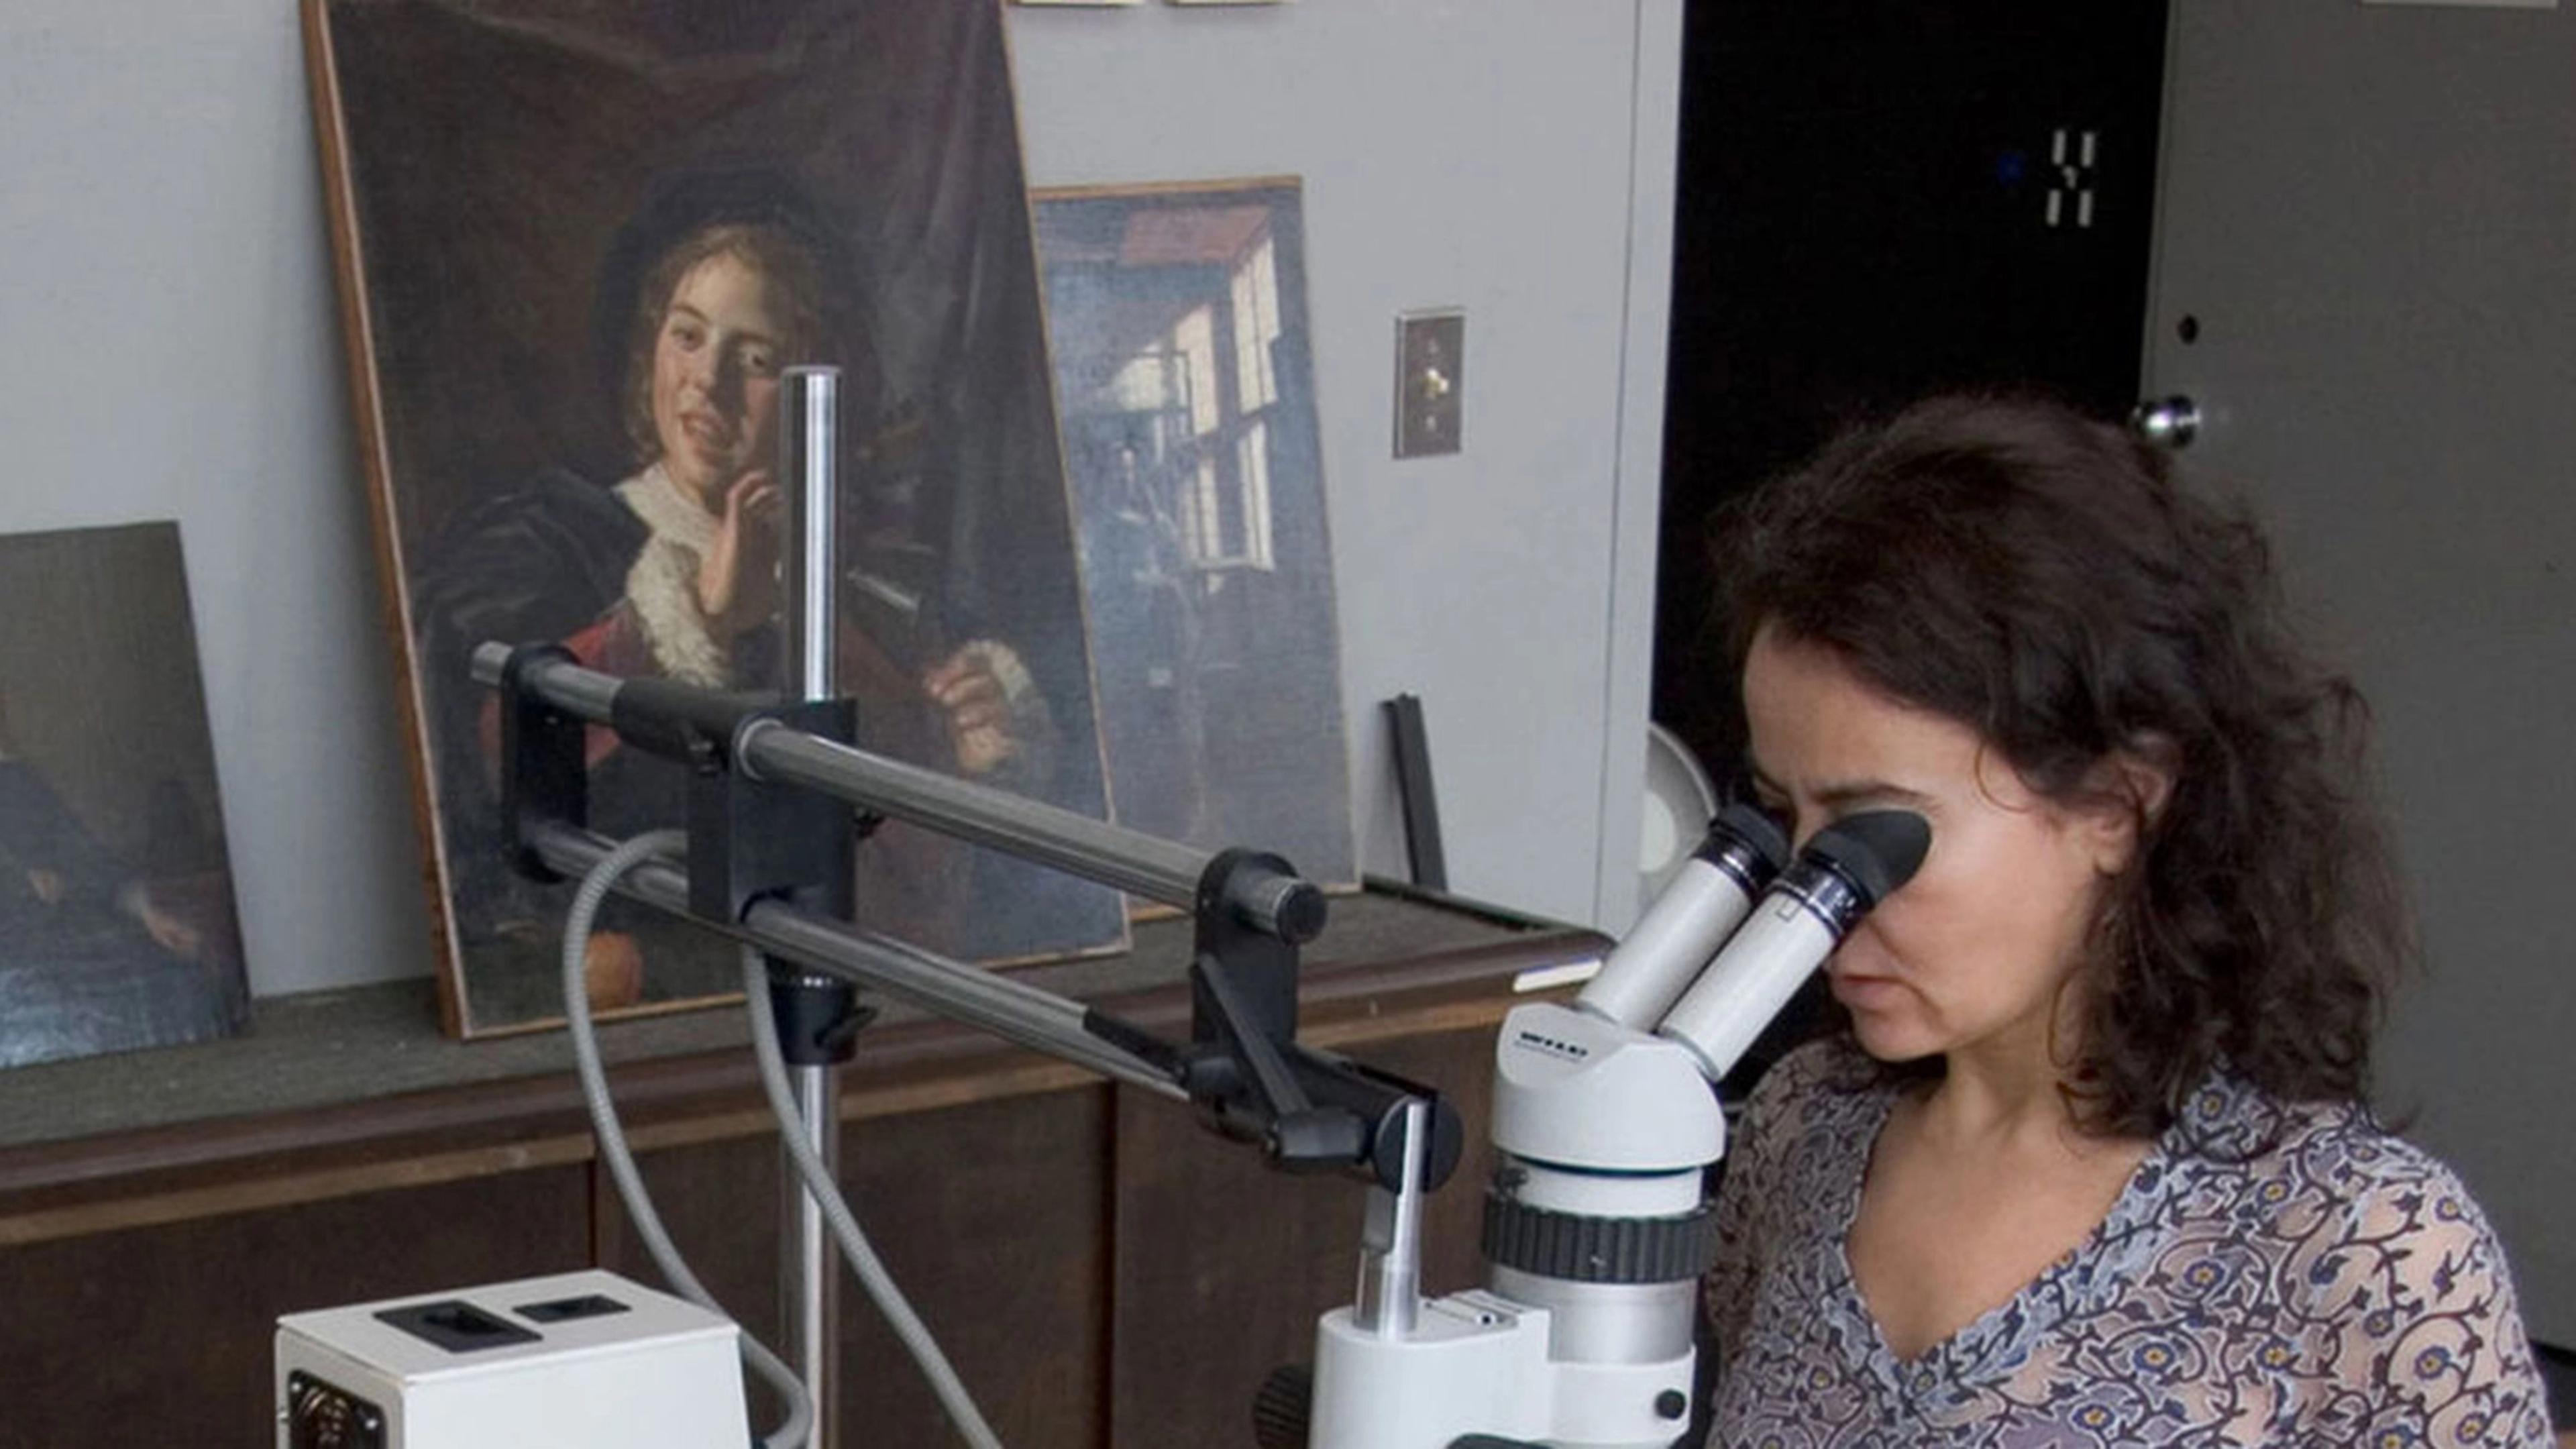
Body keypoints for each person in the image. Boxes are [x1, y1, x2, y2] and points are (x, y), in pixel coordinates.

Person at [1696, 396, 2554, 1446]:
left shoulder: (2364, 1247)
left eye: (1874, 834)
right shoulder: (1800, 1131)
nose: (1818, 902)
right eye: (1786, 818)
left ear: (2113, 805)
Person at [413, 180, 1057, 1008]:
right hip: (662, 1001)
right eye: (686, 336)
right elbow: (498, 779)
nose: (705, 383)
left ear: (815, 392)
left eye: (753, 360)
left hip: (861, 1012)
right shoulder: (552, 544)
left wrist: (971, 750)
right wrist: (698, 622)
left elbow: (917, 880)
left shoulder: (880, 593)